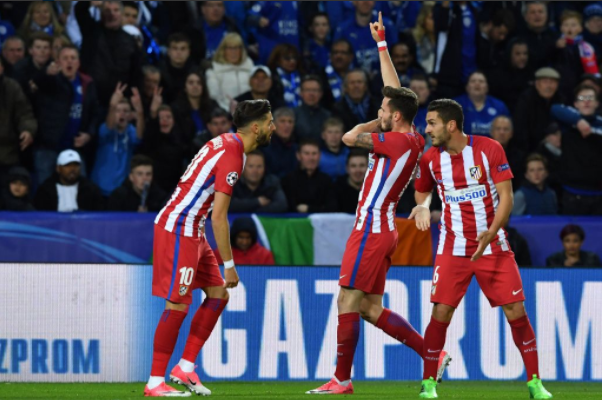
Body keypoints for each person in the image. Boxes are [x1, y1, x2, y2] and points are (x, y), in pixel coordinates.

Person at [308, 14, 448, 396]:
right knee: (369, 308)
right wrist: (382, 44)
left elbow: (348, 137)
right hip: (383, 228)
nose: (380, 111)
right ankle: (433, 354)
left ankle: (341, 380)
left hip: (371, 228)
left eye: (384, 109)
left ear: (395, 116)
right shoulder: (413, 136)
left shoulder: (396, 141)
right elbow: (395, 91)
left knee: (347, 299)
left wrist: (373, 122)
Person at [411, 99, 552, 399]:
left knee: (516, 310)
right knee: (441, 312)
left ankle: (535, 382)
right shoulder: (430, 159)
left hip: (493, 246)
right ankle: (428, 384)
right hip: (452, 248)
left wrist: (491, 232)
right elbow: (422, 191)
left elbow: (506, 197)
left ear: (451, 125)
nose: (427, 129)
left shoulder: (489, 149)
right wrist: (423, 206)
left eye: (432, 123)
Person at [145, 100, 274, 397]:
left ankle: (185, 367)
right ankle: (154, 382)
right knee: (178, 304)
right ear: (256, 128)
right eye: (269, 122)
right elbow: (219, 216)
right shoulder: (233, 155)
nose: (273, 127)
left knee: (218, 294)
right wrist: (229, 265)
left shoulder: (228, 143)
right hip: (180, 228)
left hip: (194, 228)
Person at [32, 45, 99, 186]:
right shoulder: (51, 80)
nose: (69, 61)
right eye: (65, 58)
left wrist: (89, 134)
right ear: (58, 62)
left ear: (78, 63)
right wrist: (47, 73)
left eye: (73, 58)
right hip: (48, 147)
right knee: (45, 189)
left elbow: (95, 113)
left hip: (75, 147)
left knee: (80, 189)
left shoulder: (87, 83)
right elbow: (38, 82)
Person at [75, 0, 142, 107]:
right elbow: (80, 10)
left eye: (116, 10)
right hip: (91, 97)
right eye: (107, 10)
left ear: (122, 14)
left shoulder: (130, 41)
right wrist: (90, 2)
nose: (112, 14)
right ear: (101, 13)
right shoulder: (91, 31)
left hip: (119, 100)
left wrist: (130, 98)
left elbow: (135, 73)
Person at [551, 84, 602, 215]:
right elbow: (555, 108)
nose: (586, 101)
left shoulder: (600, 123)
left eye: (590, 98)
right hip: (572, 193)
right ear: (575, 104)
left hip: (599, 193)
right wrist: (579, 121)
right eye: (582, 98)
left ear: (597, 103)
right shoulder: (567, 122)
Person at [91, 83, 144, 197]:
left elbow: (139, 137)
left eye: (125, 111)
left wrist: (140, 113)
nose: (122, 114)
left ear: (130, 115)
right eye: (118, 110)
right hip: (99, 187)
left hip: (121, 190)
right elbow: (108, 127)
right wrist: (112, 105)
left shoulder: (131, 130)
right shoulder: (105, 129)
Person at [333, 1, 397, 74]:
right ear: (354, 2)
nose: (366, 2)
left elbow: (396, 55)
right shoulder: (342, 30)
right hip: (352, 77)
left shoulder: (387, 26)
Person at [0, 57, 36, 183]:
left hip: (8, 153)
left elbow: (24, 113)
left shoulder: (12, 87)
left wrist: (28, 130)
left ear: (2, 68)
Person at [432, 1, 479, 98]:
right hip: (450, 73)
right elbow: (441, 26)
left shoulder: (474, 10)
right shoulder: (445, 9)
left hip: (471, 69)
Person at [34, 149, 104, 211]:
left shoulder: (90, 189)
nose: (73, 169)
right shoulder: (46, 189)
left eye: (76, 165)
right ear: (58, 168)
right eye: (68, 165)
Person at [142, 101, 189, 194]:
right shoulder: (150, 141)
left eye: (168, 117)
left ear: (174, 120)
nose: (165, 120)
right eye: (161, 117)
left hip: (175, 189)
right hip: (154, 190)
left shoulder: (181, 141)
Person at [513, 67, 563, 152]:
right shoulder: (526, 100)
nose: (549, 86)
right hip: (529, 147)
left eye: (552, 82)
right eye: (545, 82)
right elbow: (520, 129)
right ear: (536, 83)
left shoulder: (560, 100)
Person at [282, 138, 337, 213]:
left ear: (319, 156)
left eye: (314, 153)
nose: (311, 158)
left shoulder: (326, 180)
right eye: (307, 154)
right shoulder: (288, 180)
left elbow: (332, 207)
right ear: (298, 156)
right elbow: (289, 207)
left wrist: (309, 209)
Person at [555, 10, 599, 102]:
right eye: (566, 25)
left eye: (573, 25)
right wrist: (557, 49)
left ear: (580, 28)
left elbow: (592, 71)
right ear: (561, 28)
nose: (569, 28)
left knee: (583, 105)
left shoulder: (586, 47)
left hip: (580, 89)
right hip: (560, 89)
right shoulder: (554, 45)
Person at [206, 32, 254, 111]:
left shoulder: (251, 69)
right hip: (226, 114)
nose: (233, 52)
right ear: (223, 50)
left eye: (237, 48)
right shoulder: (214, 72)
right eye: (230, 48)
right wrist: (229, 112)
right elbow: (215, 98)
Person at [454, 71, 509, 137]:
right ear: (467, 87)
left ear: (487, 87)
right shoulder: (456, 105)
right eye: (473, 81)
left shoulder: (499, 106)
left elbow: (508, 130)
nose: (477, 84)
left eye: (481, 81)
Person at [170, 70, 219, 144]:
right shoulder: (176, 109)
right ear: (185, 87)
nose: (195, 86)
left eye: (199, 83)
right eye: (191, 83)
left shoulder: (212, 105)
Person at [487, 38, 532, 114]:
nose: (522, 57)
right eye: (517, 54)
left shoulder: (530, 74)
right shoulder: (497, 76)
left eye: (525, 53)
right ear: (509, 54)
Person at [12, 32, 52, 104]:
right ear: (30, 50)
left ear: (50, 51)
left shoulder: (55, 68)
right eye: (38, 47)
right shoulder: (20, 69)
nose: (42, 51)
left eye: (46, 48)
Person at [518, 2, 558, 71]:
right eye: (533, 12)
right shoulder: (519, 38)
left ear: (546, 15)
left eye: (540, 12)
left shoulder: (555, 37)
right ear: (525, 17)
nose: (537, 15)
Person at [159, 33, 197, 104]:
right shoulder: (159, 72)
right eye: (175, 48)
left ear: (189, 52)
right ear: (168, 51)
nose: (179, 52)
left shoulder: (196, 74)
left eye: (183, 49)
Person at [489, 116, 525, 190]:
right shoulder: (481, 154)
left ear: (511, 133)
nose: (502, 132)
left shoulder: (519, 156)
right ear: (492, 132)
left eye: (506, 129)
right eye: (498, 129)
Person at [262, 107, 298, 178]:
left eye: (290, 122)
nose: (287, 125)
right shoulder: (264, 148)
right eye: (282, 121)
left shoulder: (297, 149)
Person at [294, 75, 331, 141]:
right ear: (301, 93)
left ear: (321, 94)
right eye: (307, 90)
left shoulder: (328, 116)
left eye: (315, 90)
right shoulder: (293, 115)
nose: (311, 94)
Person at [267, 43, 304, 108]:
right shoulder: (270, 77)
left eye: (295, 58)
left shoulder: (303, 76)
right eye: (287, 58)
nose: (292, 61)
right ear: (277, 60)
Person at [335, 149, 368, 214]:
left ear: (368, 168)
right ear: (347, 169)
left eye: (362, 165)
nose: (358, 170)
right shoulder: (336, 190)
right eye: (353, 166)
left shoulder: (376, 189)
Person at [323, 39, 355, 103]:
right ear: (330, 56)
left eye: (343, 53)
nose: (339, 56)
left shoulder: (358, 75)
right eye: (335, 52)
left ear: (351, 57)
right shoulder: (321, 76)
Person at [412, 3, 436, 75]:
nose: (435, 21)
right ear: (423, 20)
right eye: (431, 18)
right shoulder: (414, 39)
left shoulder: (444, 40)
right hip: (419, 77)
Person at [410, 75, 431, 139]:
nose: (416, 92)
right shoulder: (400, 113)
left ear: (428, 92)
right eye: (413, 88)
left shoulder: (435, 115)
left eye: (421, 88)